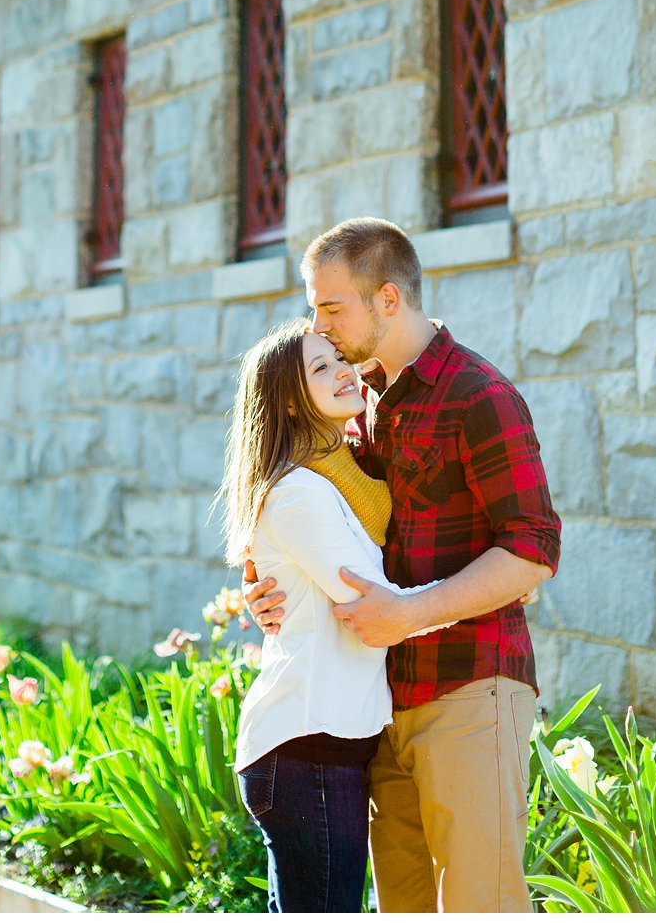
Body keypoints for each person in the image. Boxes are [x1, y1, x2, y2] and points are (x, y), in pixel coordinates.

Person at [245, 217, 560, 913]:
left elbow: (535, 548)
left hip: (470, 691)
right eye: (313, 307)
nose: (317, 325)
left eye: (331, 307)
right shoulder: (359, 403)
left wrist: (410, 613)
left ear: (387, 300)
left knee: (483, 904)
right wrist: (267, 589)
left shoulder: (480, 395)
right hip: (381, 710)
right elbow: (310, 516)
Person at [217, 318, 436, 912]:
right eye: (321, 367)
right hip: (308, 747)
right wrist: (483, 595)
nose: (344, 371)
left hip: (322, 747)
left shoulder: (338, 482)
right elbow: (370, 603)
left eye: (339, 360)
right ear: (289, 401)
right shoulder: (299, 493)